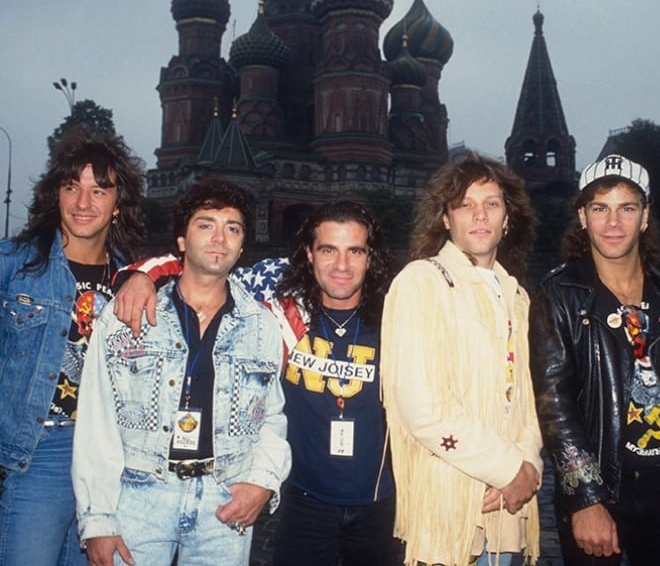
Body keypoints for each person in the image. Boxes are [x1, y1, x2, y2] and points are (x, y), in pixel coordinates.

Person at [110, 200, 399, 566]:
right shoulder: (277, 306)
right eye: (328, 249)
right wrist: (140, 275)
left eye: (355, 251)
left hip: (379, 505)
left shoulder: (396, 316)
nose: (341, 265)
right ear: (309, 254)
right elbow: (205, 269)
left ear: (370, 258)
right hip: (304, 505)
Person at [71, 178, 290, 566]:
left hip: (224, 500)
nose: (219, 238)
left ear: (242, 245)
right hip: (138, 495)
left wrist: (262, 481)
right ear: (182, 241)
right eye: (206, 225)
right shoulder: (127, 316)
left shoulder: (262, 326)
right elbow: (95, 420)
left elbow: (271, 417)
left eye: (232, 228)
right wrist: (98, 519)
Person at [529, 154, 660, 565]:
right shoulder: (559, 295)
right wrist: (585, 499)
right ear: (582, 217)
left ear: (645, 216)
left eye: (626, 208)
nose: (613, 223)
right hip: (599, 494)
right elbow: (555, 408)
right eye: (600, 208)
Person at [380, 152, 542, 566]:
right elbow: (422, 407)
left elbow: (527, 398)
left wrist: (529, 466)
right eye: (464, 205)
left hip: (509, 506)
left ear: (508, 218)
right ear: (446, 219)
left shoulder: (517, 296)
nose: (479, 215)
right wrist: (508, 468)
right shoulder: (421, 282)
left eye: (491, 203)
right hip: (450, 501)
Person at [0, 125, 145, 565]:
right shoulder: (15, 264)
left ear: (118, 204)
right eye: (71, 187)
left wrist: (146, 276)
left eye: (100, 190)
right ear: (55, 196)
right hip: (38, 453)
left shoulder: (132, 282)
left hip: (107, 463)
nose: (84, 203)